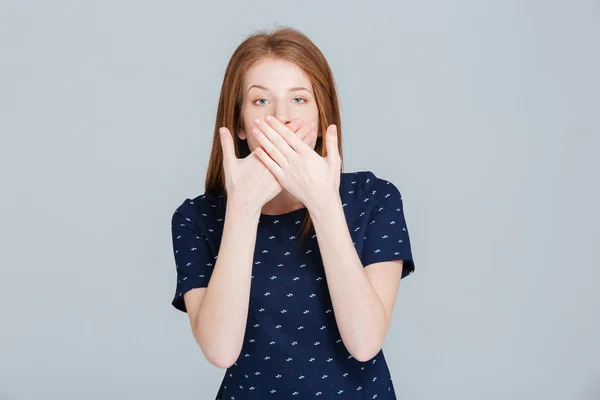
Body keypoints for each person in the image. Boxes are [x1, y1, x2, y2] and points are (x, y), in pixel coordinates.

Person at [170, 25, 416, 400]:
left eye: (299, 100)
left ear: (322, 116)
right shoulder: (196, 219)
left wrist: (323, 202)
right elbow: (220, 351)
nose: (281, 118)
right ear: (238, 123)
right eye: (261, 102)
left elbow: (365, 343)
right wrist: (243, 207)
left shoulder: (374, 199)